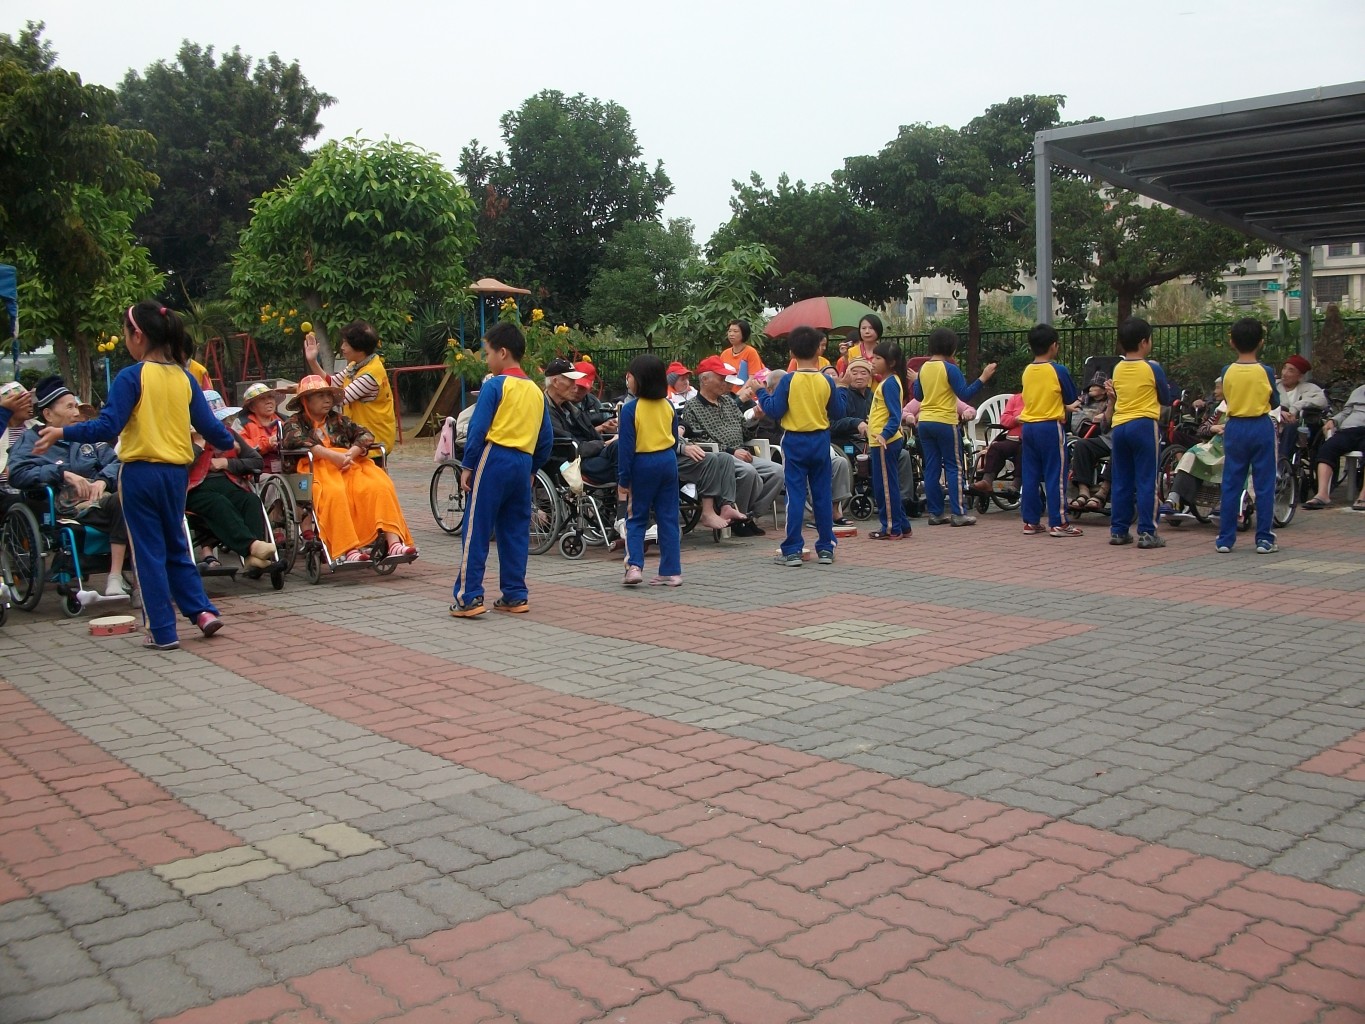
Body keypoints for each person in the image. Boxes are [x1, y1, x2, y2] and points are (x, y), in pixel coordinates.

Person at [32, 302, 236, 650]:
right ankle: (202, 612)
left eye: (125, 334)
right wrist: (230, 442)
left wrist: (62, 432)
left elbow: (106, 426)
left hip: (140, 474)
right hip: (176, 475)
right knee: (176, 544)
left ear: (137, 335)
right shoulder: (184, 378)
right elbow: (213, 429)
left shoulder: (131, 377)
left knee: (147, 553)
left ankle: (162, 631)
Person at [450, 322, 553, 618]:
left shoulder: (494, 385)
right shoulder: (536, 391)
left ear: (503, 352)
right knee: (515, 530)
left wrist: (468, 465)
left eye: (488, 353)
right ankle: (515, 595)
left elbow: (478, 429)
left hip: (494, 458)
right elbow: (545, 438)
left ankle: (469, 597)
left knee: (477, 528)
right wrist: (532, 467)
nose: (487, 359)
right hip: (523, 463)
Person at [9, 375, 132, 596]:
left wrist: (103, 480)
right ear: (48, 414)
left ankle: (126, 578)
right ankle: (116, 577)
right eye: (69, 407)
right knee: (121, 503)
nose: (76, 413)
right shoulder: (30, 440)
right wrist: (61, 474)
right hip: (62, 509)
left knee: (132, 498)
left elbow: (116, 462)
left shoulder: (86, 436)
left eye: (76, 406)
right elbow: (17, 474)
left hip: (101, 503)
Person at [281, 375, 417, 563]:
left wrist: (352, 453)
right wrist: (332, 456)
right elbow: (294, 440)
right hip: (315, 467)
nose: (327, 400)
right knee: (334, 493)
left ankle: (393, 543)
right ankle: (349, 549)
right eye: (320, 396)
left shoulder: (338, 419)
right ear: (305, 400)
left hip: (348, 463)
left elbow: (365, 434)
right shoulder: (293, 423)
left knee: (380, 485)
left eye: (328, 395)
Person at [756, 326, 845, 566]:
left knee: (795, 495)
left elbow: (774, 410)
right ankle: (826, 548)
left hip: (794, 440)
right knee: (822, 494)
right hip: (820, 439)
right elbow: (838, 412)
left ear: (791, 352)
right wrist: (841, 389)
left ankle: (793, 550)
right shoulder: (826, 380)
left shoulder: (788, 379)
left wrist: (761, 393)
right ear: (819, 350)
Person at [680, 355, 782, 535]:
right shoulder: (692, 407)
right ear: (705, 380)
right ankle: (737, 520)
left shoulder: (728, 401)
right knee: (749, 473)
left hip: (743, 452)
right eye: (720, 378)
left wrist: (755, 419)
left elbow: (746, 432)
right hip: (720, 456)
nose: (724, 382)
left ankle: (747, 516)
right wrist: (731, 451)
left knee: (778, 472)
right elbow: (699, 441)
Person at [912, 327, 996, 526]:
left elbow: (918, 396)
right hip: (945, 422)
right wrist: (983, 377)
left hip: (925, 422)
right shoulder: (950, 368)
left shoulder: (924, 368)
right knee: (954, 466)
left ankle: (935, 513)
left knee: (931, 467)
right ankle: (958, 513)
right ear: (952, 348)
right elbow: (964, 394)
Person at [186, 391, 278, 571]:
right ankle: (251, 547)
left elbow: (257, 461)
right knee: (218, 502)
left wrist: (227, 463)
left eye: (222, 420)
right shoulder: (184, 435)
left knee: (251, 500)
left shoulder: (228, 433)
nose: (221, 424)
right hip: (194, 489)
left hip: (228, 483)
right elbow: (178, 467)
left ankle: (254, 559)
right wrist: (198, 445)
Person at [618, 355, 682, 587]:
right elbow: (675, 439)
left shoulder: (630, 409)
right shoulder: (668, 405)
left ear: (639, 380)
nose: (628, 379)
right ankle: (671, 572)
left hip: (642, 464)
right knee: (668, 518)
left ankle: (634, 566)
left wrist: (623, 480)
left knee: (636, 517)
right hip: (668, 461)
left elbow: (625, 448)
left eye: (630, 376)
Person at [1216, 317, 1279, 554]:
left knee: (1231, 482)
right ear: (1261, 342)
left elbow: (1226, 399)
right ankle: (1264, 539)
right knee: (1264, 484)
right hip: (1261, 426)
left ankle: (1225, 539)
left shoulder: (1227, 371)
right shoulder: (1266, 371)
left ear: (1232, 342)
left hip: (1234, 427)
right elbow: (1275, 401)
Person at [1108, 317, 1172, 549]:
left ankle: (1119, 531)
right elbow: (1166, 398)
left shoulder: (1118, 368)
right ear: (1144, 342)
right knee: (1146, 480)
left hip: (1119, 426)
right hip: (1143, 425)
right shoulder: (1152, 368)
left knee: (1121, 480)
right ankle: (1147, 532)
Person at [1018, 323, 1082, 537]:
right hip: (1050, 427)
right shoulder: (1058, 370)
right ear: (1054, 345)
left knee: (1030, 475)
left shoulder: (1028, 370)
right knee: (1056, 474)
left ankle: (1031, 521)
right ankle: (1059, 522)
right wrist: (1069, 406)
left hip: (1028, 427)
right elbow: (1071, 398)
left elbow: (1040, 397)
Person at [303, 320, 396, 453]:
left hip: (372, 440)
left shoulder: (371, 374)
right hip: (359, 439)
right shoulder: (356, 365)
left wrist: (306, 390)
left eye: (346, 344)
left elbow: (340, 398)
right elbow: (332, 382)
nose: (342, 347)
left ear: (360, 348)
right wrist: (312, 360)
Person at [867, 341, 912, 540]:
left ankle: (891, 528)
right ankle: (903, 525)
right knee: (888, 484)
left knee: (884, 487)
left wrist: (884, 435)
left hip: (885, 442)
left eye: (878, 358)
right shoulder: (886, 382)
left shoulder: (891, 383)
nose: (873, 361)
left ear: (891, 362)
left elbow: (895, 416)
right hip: (880, 442)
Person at [1166, 378, 1227, 519]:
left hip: (1230, 448)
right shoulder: (1220, 409)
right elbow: (1201, 429)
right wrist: (1212, 428)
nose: (1215, 391)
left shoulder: (1243, 408)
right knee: (1192, 453)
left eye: (1218, 388)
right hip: (1212, 446)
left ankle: (1225, 503)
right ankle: (1173, 499)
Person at [1303, 381, 1365, 511]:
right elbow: (1346, 412)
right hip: (1349, 430)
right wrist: (1333, 420)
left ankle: (1363, 496)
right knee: (1327, 449)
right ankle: (1322, 494)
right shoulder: (1359, 391)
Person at [1067, 372, 1113, 513]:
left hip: (1123, 436)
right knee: (1082, 445)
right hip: (1107, 436)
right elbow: (1106, 424)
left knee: (1122, 447)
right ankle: (1083, 491)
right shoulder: (1087, 400)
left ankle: (1103, 492)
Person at [971, 392, 1024, 498]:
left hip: (1030, 439)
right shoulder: (1016, 399)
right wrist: (1016, 419)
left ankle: (1016, 484)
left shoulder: (1040, 399)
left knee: (1024, 450)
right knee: (996, 448)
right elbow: (1004, 419)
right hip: (1012, 439)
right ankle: (987, 481)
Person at [237, 382, 286, 473]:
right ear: (251, 407)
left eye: (271, 397)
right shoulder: (241, 423)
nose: (268, 401)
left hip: (287, 470)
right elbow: (241, 448)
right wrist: (267, 443)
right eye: (262, 398)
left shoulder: (285, 421)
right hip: (256, 473)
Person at [721, 319, 765, 392]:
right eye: (730, 331)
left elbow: (753, 377)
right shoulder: (725, 353)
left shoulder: (751, 352)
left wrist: (739, 395)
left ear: (744, 334)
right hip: (727, 395)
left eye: (735, 331)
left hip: (747, 395)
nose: (731, 334)